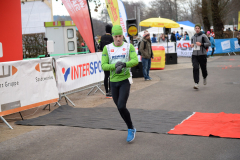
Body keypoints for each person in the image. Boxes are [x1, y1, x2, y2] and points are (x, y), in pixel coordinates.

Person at [101, 25, 139, 142]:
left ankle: (130, 128)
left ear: (123, 36)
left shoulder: (129, 46)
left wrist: (124, 64)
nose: (118, 38)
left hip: (125, 80)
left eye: (120, 36)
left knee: (122, 105)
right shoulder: (107, 48)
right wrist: (115, 66)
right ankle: (131, 127)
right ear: (112, 36)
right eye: (116, 36)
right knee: (119, 108)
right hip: (113, 81)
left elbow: (135, 60)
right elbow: (103, 65)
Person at [191, 24, 211, 89]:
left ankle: (204, 77)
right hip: (194, 55)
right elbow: (192, 44)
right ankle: (196, 83)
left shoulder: (203, 36)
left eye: (198, 28)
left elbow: (209, 43)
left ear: (200, 29)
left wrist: (201, 44)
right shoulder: (193, 37)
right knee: (195, 68)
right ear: (194, 29)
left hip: (202, 55)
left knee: (203, 69)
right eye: (196, 28)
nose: (197, 29)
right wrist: (191, 45)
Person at [99, 24, 114, 98]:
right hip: (111, 58)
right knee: (111, 76)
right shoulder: (111, 37)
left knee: (106, 76)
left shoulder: (102, 37)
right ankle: (111, 91)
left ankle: (107, 92)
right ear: (111, 30)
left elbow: (100, 48)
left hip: (104, 57)